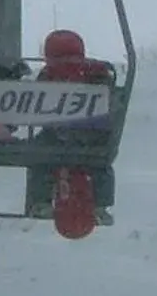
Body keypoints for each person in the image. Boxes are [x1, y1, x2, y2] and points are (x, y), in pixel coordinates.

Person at [23, 27, 117, 224]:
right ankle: (101, 205)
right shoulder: (98, 73)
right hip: (94, 139)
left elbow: (38, 108)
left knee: (39, 156)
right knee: (100, 162)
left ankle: (41, 201)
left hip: (57, 137)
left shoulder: (49, 74)